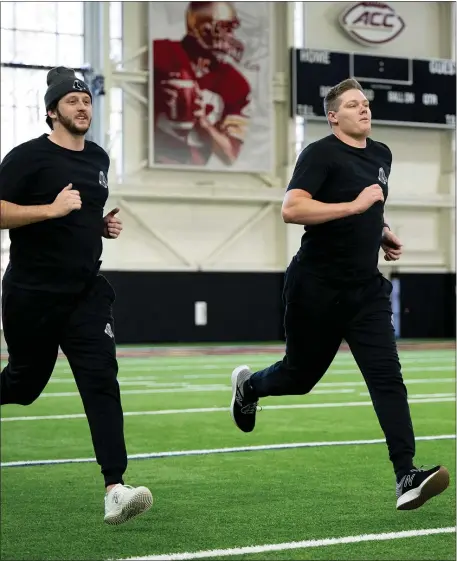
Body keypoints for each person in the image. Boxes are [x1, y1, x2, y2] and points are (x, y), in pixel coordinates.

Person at [229, 78, 450, 511]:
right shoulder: (320, 153)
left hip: (365, 291)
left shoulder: (382, 154)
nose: (363, 109)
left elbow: (373, 206)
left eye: (365, 103)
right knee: (299, 377)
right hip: (315, 287)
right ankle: (250, 387)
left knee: (388, 378)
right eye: (353, 105)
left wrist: (381, 232)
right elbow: (292, 209)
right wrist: (354, 207)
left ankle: (406, 473)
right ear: (334, 117)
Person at [0, 66, 153, 525]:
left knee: (101, 380)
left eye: (86, 100)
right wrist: (50, 209)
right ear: (52, 111)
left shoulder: (99, 159)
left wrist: (99, 225)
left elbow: (82, 214)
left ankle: (115, 488)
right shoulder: (27, 158)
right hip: (33, 293)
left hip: (85, 294)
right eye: (72, 100)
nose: (82, 106)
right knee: (24, 386)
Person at [152, 1, 251, 166]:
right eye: (225, 27)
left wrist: (203, 123)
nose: (231, 35)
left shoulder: (235, 83)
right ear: (203, 28)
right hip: (155, 163)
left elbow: (230, 155)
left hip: (193, 171)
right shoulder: (160, 55)